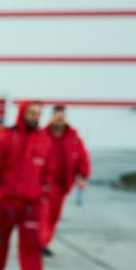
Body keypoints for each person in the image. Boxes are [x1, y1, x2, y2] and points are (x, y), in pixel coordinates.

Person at [0, 99, 58, 270]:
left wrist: (44, 192)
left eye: (38, 113)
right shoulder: (5, 138)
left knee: (31, 247)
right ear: (23, 113)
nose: (35, 117)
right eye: (32, 112)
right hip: (7, 205)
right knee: (0, 244)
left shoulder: (44, 141)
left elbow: (49, 173)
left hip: (32, 206)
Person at [40, 104, 91, 255]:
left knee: (54, 217)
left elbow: (82, 158)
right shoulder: (41, 136)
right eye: (57, 117)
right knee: (43, 215)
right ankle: (40, 243)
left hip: (62, 185)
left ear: (65, 118)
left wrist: (84, 177)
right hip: (44, 184)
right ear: (51, 118)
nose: (59, 120)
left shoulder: (73, 138)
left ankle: (44, 242)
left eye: (62, 118)